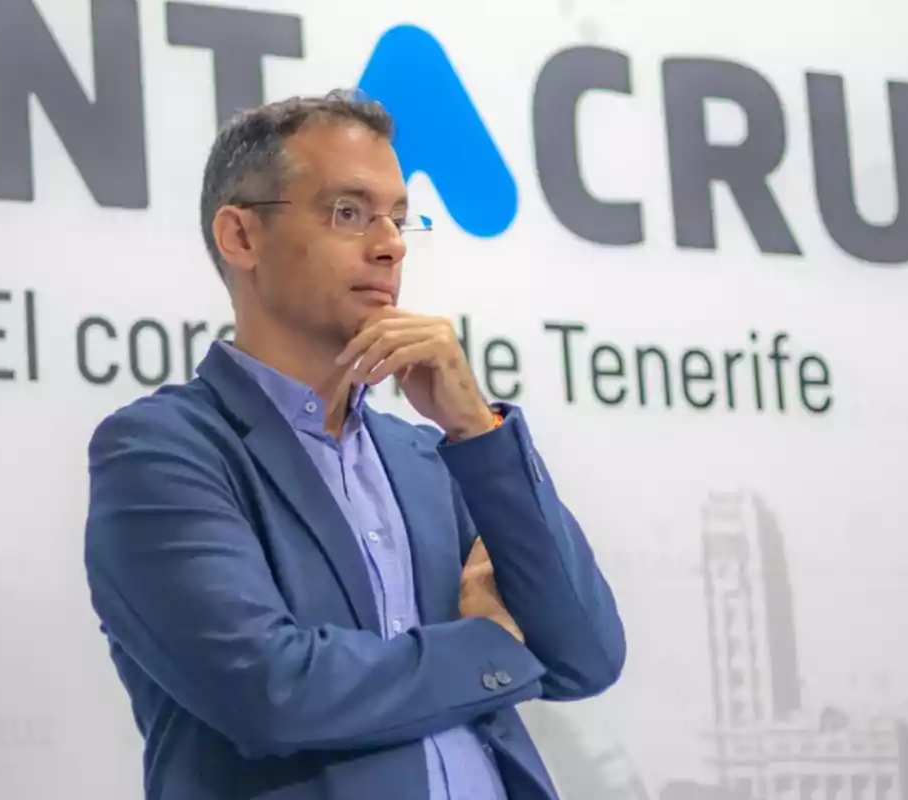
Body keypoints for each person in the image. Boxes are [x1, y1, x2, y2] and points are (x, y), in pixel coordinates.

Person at [83, 89, 626, 800]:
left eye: (399, 218)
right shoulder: (162, 452)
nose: (390, 244)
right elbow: (272, 691)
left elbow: (584, 654)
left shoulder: (431, 461)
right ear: (241, 237)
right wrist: (492, 641)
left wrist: (475, 429)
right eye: (348, 212)